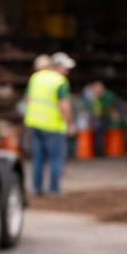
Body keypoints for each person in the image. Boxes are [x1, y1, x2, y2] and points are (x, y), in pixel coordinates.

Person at [24, 51, 76, 196]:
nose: (67, 71)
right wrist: (70, 123)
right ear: (58, 66)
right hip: (53, 125)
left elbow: (27, 99)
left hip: (34, 123)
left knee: (38, 157)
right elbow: (64, 104)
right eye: (66, 67)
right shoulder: (59, 81)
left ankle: (37, 188)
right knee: (56, 158)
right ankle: (54, 189)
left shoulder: (36, 77)